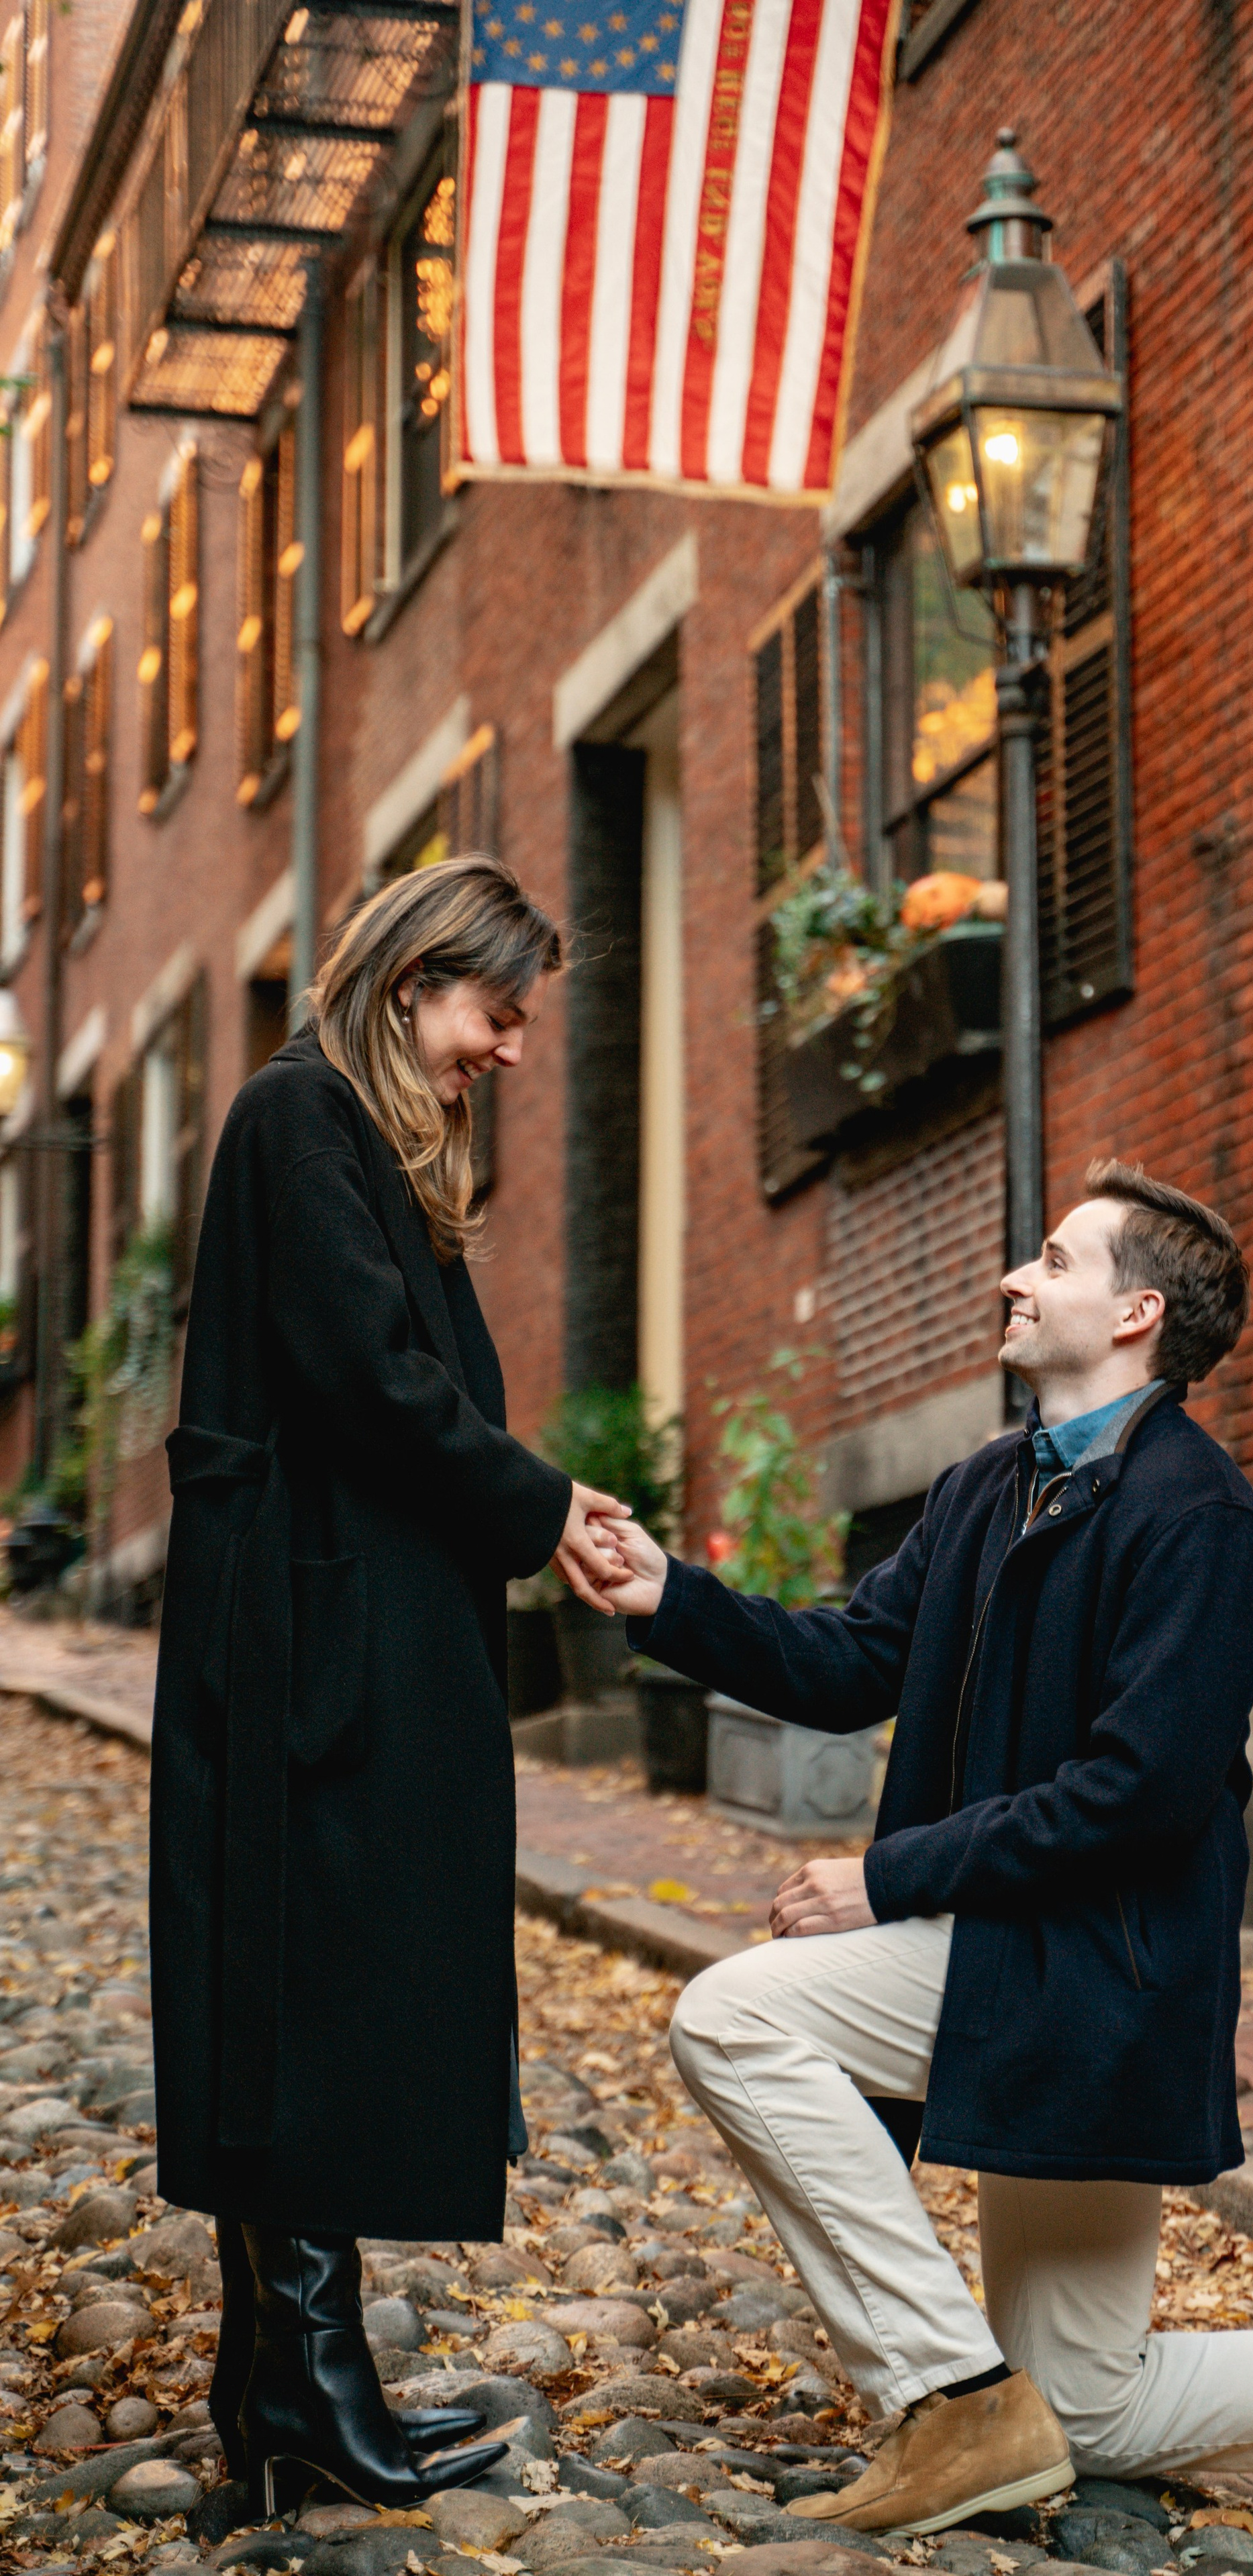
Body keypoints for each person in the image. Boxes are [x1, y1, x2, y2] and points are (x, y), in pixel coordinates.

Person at [595, 1161, 1253, 2576]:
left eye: (1053, 1261)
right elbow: (847, 1662)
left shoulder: (1194, 1517)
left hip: (1094, 1977)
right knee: (1084, 2396)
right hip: (1013, 1964)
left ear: (1135, 1311)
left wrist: (886, 1877)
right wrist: (667, 1595)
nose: (1016, 1276)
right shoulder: (981, 1489)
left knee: (737, 2013)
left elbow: (1137, 1797)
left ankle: (947, 2398)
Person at [150, 856, 628, 2518]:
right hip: (302, 1626)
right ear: (418, 977)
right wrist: (544, 1501)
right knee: (298, 1981)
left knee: (315, 1980)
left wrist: (524, 1492)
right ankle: (302, 2378)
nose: (506, 1047)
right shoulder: (302, 1119)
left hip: (333, 1608)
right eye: (494, 1011)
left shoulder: (348, 1133)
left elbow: (402, 1380)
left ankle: (289, 2382)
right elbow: (366, 1377)